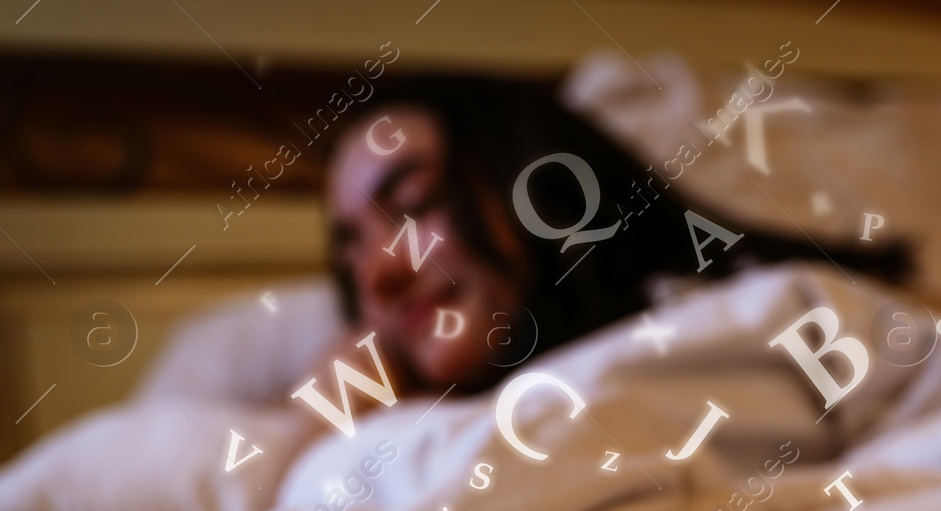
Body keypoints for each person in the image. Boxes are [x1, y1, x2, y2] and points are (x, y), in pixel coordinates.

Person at [323, 74, 909, 396]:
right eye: (351, 251)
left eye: (414, 204)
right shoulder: (391, 421)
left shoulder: (759, 318)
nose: (378, 273)